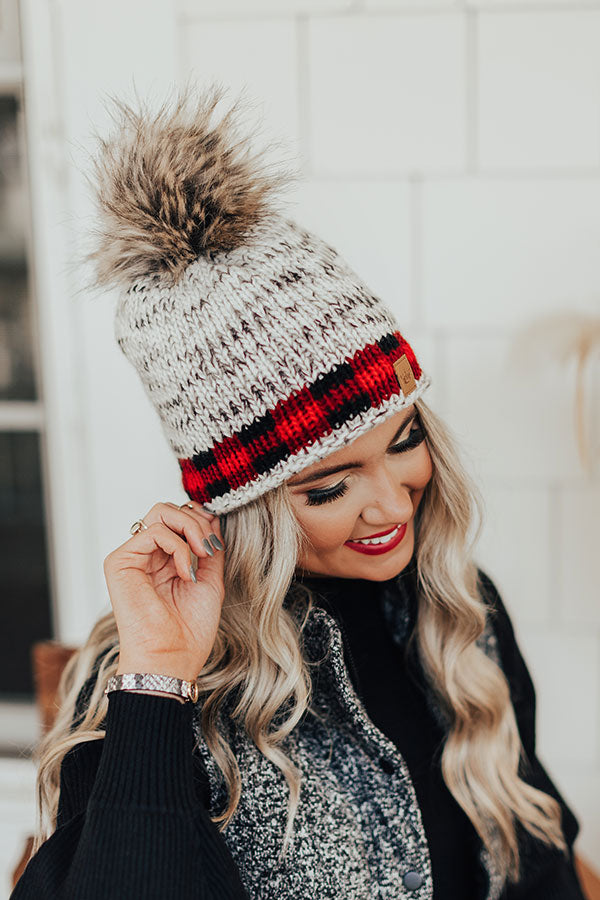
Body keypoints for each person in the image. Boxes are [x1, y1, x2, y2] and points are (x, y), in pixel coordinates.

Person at [12, 84, 587, 900]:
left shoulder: (461, 613)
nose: (394, 504)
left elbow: (544, 855)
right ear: (246, 506)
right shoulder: (156, 686)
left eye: (405, 442)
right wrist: (159, 676)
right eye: (329, 487)